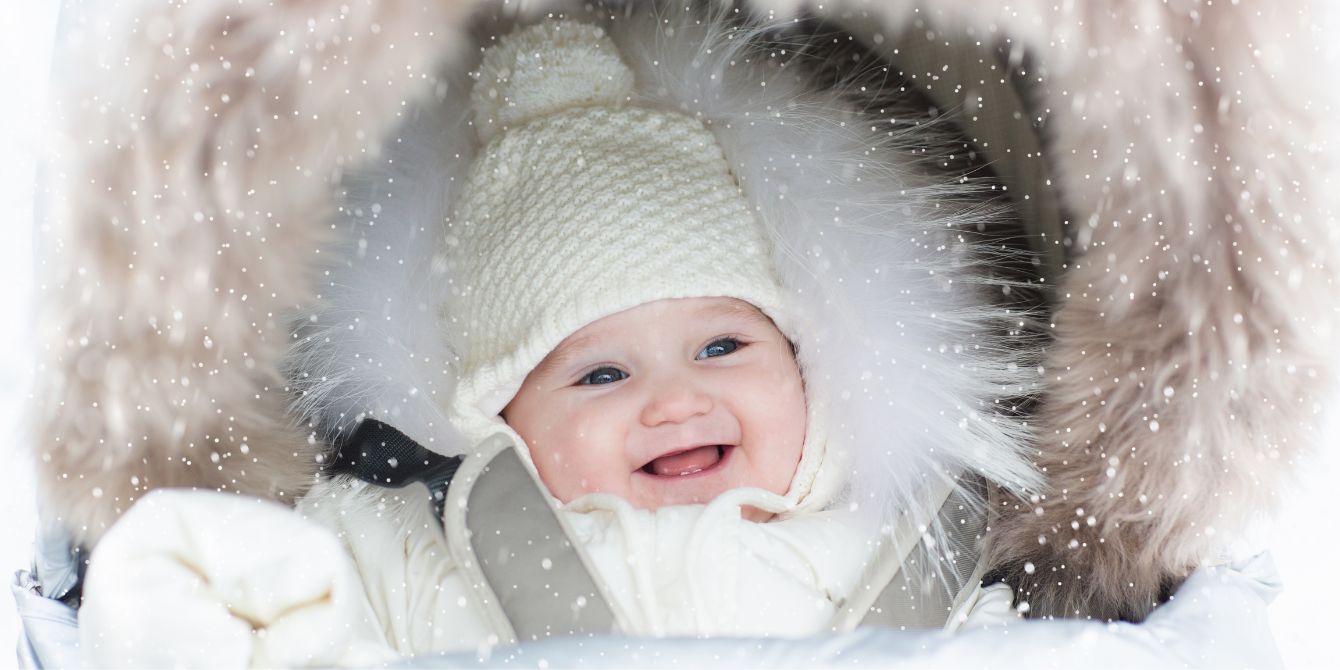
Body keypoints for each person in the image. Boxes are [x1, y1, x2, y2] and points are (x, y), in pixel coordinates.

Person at [78, 15, 1027, 668]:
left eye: (723, 346)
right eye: (601, 371)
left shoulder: (899, 543)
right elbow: (263, 597)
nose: (674, 399)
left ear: (810, 366)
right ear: (499, 420)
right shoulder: (413, 551)